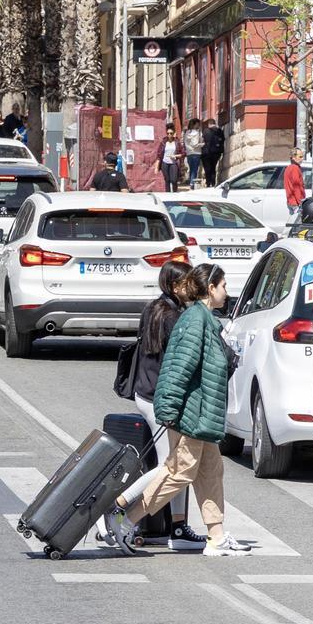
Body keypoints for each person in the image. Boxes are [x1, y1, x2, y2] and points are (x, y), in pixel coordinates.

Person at [105, 264, 251, 556]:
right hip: (190, 413)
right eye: (223, 286)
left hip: (202, 413)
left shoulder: (203, 319)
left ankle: (217, 537)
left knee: (211, 470)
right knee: (178, 472)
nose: (227, 291)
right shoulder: (195, 321)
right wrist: (170, 409)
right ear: (210, 289)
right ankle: (122, 518)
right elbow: (178, 369)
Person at [108, 261, 208, 551]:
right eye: (188, 283)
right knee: (172, 466)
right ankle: (117, 509)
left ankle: (177, 527)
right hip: (160, 398)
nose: (193, 287)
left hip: (147, 392)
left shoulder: (154, 308)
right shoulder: (173, 317)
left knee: (175, 463)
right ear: (176, 286)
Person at [155, 126, 186, 192]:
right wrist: (156, 167)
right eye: (168, 133)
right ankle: (168, 194)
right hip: (164, 163)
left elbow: (183, 153)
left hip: (173, 163)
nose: (169, 135)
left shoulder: (177, 142)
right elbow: (159, 155)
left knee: (174, 180)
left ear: (174, 133)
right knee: (167, 180)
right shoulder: (163, 143)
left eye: (171, 133)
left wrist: (176, 155)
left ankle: (175, 193)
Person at [201, 118, 224, 187]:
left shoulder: (205, 131)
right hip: (216, 153)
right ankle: (213, 183)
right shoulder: (219, 130)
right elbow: (223, 140)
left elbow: (202, 140)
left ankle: (208, 183)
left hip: (206, 153)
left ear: (209, 124)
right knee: (213, 168)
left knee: (207, 168)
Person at [285, 147, 306, 218]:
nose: (302, 158)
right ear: (293, 157)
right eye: (300, 156)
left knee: (293, 223)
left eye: (302, 156)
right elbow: (296, 186)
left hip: (291, 201)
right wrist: (300, 202)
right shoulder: (295, 168)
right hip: (296, 202)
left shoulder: (288, 168)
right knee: (298, 225)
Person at [184, 118, 203, 189]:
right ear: (195, 124)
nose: (199, 125)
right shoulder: (197, 133)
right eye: (198, 124)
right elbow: (195, 144)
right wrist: (202, 144)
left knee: (191, 169)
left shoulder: (187, 133)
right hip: (196, 153)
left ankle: (191, 182)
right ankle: (192, 184)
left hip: (189, 153)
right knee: (194, 170)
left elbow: (186, 143)